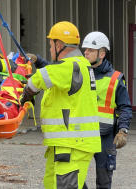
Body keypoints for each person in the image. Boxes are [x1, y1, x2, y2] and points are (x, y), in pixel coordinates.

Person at [20, 21, 102, 189]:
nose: (50, 50)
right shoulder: (78, 65)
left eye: (51, 46)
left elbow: (38, 79)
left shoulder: (71, 66)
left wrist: (25, 93)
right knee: (51, 183)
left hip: (73, 144)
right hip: (65, 144)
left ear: (59, 45)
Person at [81, 31, 132, 189]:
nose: (86, 52)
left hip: (105, 136)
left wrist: (123, 130)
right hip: (81, 134)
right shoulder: (78, 74)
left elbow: (125, 107)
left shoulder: (115, 78)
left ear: (102, 54)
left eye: (90, 49)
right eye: (85, 49)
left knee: (104, 182)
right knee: (73, 178)